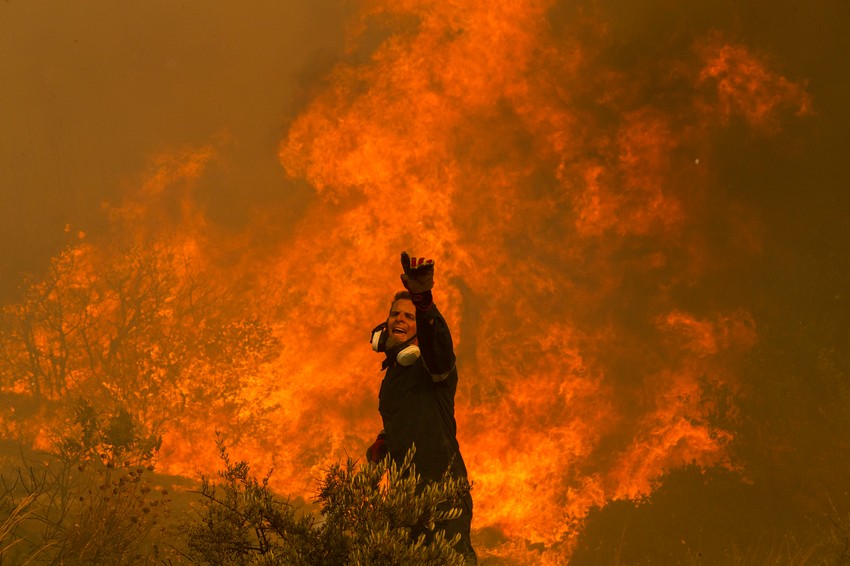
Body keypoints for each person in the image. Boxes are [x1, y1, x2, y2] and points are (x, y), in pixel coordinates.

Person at [366, 251, 476, 562]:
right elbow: (409, 416)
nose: (399, 319)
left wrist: (424, 302)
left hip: (443, 497)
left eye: (409, 316)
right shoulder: (395, 374)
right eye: (395, 314)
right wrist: (386, 440)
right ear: (384, 326)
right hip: (406, 499)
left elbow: (437, 345)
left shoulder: (433, 366)